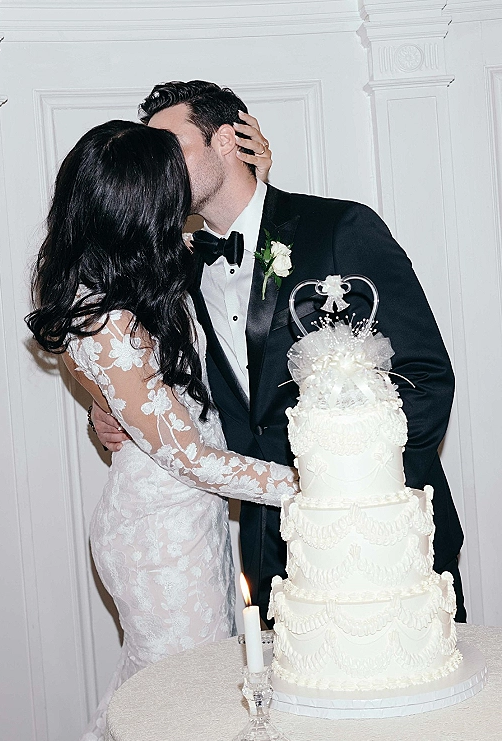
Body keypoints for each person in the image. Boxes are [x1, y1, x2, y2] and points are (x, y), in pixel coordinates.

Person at [93, 79, 466, 625]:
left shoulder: (340, 228)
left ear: (225, 140)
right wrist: (110, 412)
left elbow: (426, 378)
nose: (156, 167)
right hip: (272, 547)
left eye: (168, 148)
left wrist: (349, 486)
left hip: (382, 535)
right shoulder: (174, 273)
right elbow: (151, 377)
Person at [26, 119, 296, 741]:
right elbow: (190, 455)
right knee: (179, 714)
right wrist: (306, 486)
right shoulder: (103, 313)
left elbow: (154, 395)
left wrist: (104, 408)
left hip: (189, 521)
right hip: (158, 539)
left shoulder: (129, 274)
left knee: (171, 697)